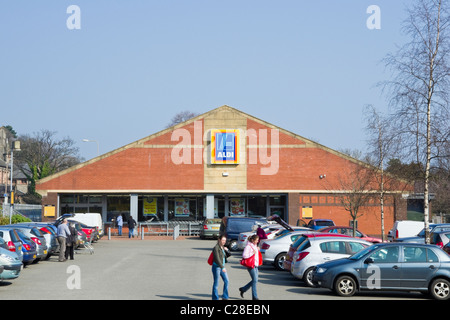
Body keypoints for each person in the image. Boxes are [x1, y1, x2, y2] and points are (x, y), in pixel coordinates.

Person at [239, 234, 262, 300]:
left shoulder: (255, 245)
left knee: (255, 280)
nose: (257, 241)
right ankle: (254, 297)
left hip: (255, 265)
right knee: (255, 280)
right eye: (257, 240)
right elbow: (244, 256)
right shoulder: (248, 246)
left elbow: (256, 255)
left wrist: (257, 249)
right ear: (253, 240)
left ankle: (243, 289)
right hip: (250, 265)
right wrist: (252, 253)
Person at [211, 234, 230, 300]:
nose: (224, 241)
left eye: (225, 240)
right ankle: (215, 298)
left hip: (222, 267)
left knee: (227, 281)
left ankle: (225, 296)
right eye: (223, 240)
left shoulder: (223, 247)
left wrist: (227, 250)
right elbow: (217, 259)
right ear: (219, 240)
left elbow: (227, 256)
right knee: (216, 283)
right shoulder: (216, 248)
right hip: (217, 267)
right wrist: (222, 267)